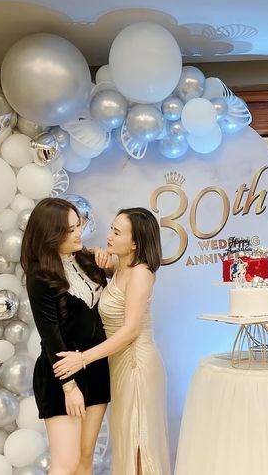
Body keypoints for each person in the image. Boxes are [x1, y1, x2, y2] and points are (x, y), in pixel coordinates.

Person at [53, 207, 171, 475]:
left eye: (117, 233)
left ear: (135, 243)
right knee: (127, 438)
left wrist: (82, 358)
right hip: (119, 363)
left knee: (138, 442)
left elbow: (130, 331)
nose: (109, 236)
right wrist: (98, 254)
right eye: (111, 229)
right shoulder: (122, 267)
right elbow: (104, 264)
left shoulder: (140, 273)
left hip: (136, 364)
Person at [21, 197, 110, 475]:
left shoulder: (87, 259)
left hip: (96, 366)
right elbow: (50, 335)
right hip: (62, 373)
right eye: (70, 230)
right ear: (51, 234)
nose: (78, 233)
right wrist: (69, 388)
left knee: (85, 460)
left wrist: (106, 263)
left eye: (78, 225)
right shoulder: (39, 274)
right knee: (66, 464)